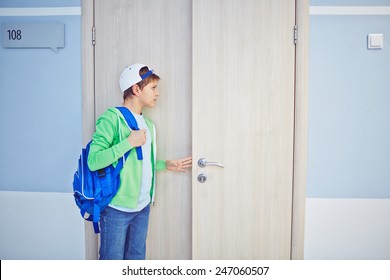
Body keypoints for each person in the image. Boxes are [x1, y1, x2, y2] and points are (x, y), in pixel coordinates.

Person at [87, 63, 192, 260]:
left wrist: (165, 164)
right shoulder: (112, 118)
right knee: (112, 259)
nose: (157, 93)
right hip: (117, 208)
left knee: (137, 258)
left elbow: (139, 163)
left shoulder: (149, 125)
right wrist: (128, 142)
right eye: (153, 88)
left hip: (142, 206)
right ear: (136, 89)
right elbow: (93, 161)